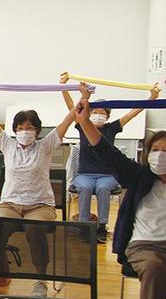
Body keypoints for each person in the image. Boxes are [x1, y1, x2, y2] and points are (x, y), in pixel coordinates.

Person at [74, 99, 166, 299]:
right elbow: (107, 152)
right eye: (156, 150)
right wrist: (84, 121)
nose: (160, 155)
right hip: (144, 247)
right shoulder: (139, 176)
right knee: (154, 267)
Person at [0, 81, 87, 298]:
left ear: (37, 131)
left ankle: (40, 280)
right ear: (14, 130)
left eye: (29, 128)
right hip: (10, 204)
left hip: (40, 205)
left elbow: (69, 119)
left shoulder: (45, 146)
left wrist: (84, 98)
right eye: (20, 128)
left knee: (35, 228)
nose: (24, 132)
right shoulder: (7, 145)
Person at [61, 85, 159, 242]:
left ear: (107, 116)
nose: (98, 115)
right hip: (85, 175)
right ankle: (84, 226)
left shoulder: (112, 128)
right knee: (85, 188)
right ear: (89, 113)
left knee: (103, 188)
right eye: (95, 112)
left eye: (102, 113)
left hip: (107, 175)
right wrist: (64, 88)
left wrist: (151, 98)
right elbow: (71, 107)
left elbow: (132, 113)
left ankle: (102, 226)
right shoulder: (83, 125)